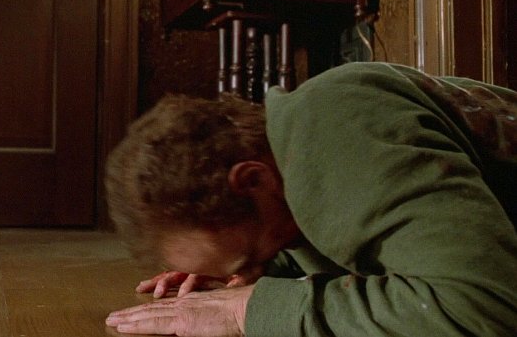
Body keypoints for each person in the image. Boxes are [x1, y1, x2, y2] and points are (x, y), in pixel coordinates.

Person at [104, 62, 517, 337]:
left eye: (248, 257)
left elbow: (482, 308)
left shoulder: (337, 128)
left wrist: (249, 310)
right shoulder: (292, 152)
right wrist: (250, 272)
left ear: (253, 179)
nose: (246, 274)